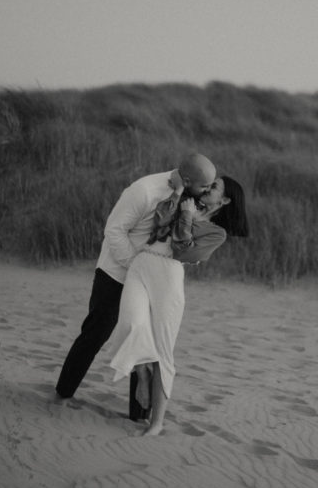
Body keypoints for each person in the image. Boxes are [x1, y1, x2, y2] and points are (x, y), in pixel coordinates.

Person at [55, 153, 217, 402]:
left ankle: (138, 415)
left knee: (148, 340)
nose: (207, 191)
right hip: (115, 273)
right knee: (95, 334)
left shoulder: (190, 198)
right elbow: (114, 230)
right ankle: (62, 394)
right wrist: (137, 268)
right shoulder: (144, 190)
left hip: (153, 280)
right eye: (204, 186)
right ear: (187, 180)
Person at [106, 175, 249, 436]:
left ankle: (156, 423)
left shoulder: (216, 233)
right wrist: (179, 193)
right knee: (131, 324)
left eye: (214, 186)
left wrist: (186, 216)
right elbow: (159, 220)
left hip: (168, 278)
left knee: (163, 350)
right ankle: (142, 373)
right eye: (208, 183)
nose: (207, 187)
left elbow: (183, 251)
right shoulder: (184, 202)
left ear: (225, 200)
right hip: (141, 265)